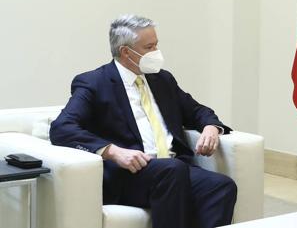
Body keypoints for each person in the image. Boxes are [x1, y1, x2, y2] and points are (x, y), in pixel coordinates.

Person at [50, 14, 237, 228]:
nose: (156, 52)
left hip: (174, 167)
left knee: (221, 186)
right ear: (126, 52)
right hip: (130, 174)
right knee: (172, 170)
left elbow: (196, 111)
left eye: (157, 45)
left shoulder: (162, 79)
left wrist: (211, 127)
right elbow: (62, 128)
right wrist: (112, 151)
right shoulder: (94, 82)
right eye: (149, 47)